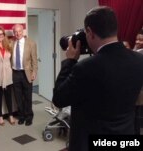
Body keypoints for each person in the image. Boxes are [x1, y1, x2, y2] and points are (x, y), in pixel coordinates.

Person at [52, 6, 143, 151]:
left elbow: (59, 98)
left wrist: (70, 61)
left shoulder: (85, 67)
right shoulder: (139, 59)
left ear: (89, 32)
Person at [11, 24, 38, 126]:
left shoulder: (31, 43)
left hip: (26, 73)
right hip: (15, 73)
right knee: (18, 97)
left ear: (23, 31)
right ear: (14, 33)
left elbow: (34, 60)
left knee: (27, 96)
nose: (17, 33)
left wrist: (34, 72)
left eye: (19, 31)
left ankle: (29, 116)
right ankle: (21, 116)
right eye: (15, 32)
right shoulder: (11, 43)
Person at [0, 26, 15, 126]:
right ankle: (0, 116)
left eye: (2, 34)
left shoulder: (9, 45)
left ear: (4, 35)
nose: (0, 36)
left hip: (8, 75)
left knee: (9, 96)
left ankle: (10, 115)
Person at [134, 28, 143, 134]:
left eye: (141, 40)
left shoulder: (138, 54)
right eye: (137, 39)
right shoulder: (135, 53)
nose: (137, 42)